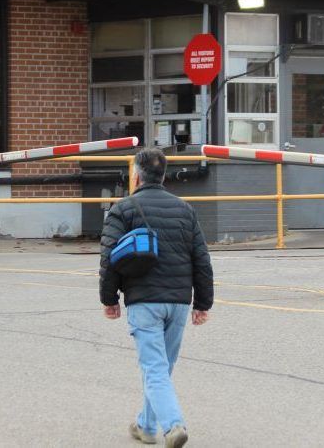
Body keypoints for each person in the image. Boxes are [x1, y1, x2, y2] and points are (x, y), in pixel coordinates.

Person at [100, 148, 214, 448]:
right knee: (161, 368)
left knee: (154, 368)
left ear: (135, 175)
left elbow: (108, 257)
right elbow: (201, 259)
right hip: (178, 302)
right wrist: (203, 303)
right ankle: (146, 426)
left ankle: (173, 425)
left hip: (143, 301)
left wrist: (109, 298)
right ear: (163, 176)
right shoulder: (185, 209)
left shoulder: (122, 209)